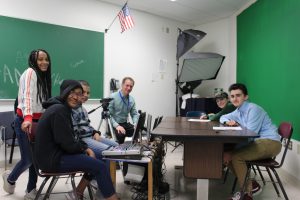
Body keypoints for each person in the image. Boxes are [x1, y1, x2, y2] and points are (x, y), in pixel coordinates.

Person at [34, 79, 118, 200]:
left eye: (79, 94)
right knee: (100, 166)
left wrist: (85, 149)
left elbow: (67, 140)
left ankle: (77, 192)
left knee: (94, 162)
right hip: (53, 160)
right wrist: (85, 149)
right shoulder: (59, 110)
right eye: (71, 93)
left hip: (54, 155)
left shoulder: (60, 108)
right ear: (64, 92)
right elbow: (67, 143)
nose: (75, 97)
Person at [2, 49, 52, 200]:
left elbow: (42, 103)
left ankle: (31, 189)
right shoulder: (31, 72)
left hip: (38, 122)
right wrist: (28, 118)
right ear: (33, 61)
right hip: (24, 121)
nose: (44, 62)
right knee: (28, 159)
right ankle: (10, 178)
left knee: (35, 159)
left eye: (46, 59)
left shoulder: (43, 77)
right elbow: (27, 97)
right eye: (40, 59)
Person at [220, 83, 282, 200]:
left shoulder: (253, 109)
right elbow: (222, 117)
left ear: (246, 97)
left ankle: (247, 193)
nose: (235, 99)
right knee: (227, 155)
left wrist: (234, 148)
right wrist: (228, 122)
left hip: (270, 142)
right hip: (258, 142)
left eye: (238, 95)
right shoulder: (238, 111)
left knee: (236, 156)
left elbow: (250, 135)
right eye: (232, 96)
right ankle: (251, 186)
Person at [108, 77, 139, 144]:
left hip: (125, 123)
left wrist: (135, 123)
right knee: (121, 135)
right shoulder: (112, 97)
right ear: (122, 85)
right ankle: (120, 152)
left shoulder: (131, 99)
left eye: (131, 86)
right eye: (127, 85)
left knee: (136, 132)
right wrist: (117, 126)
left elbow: (134, 114)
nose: (129, 88)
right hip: (115, 123)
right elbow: (108, 114)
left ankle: (132, 151)